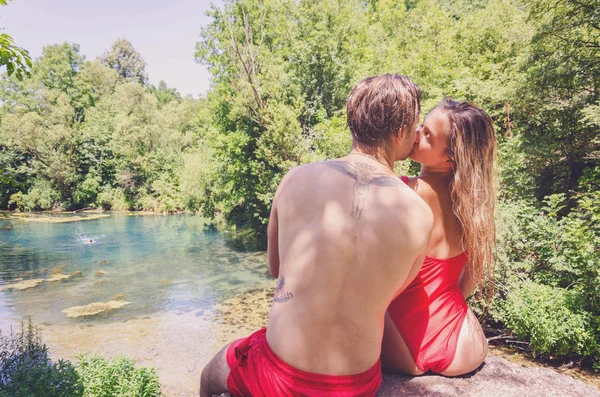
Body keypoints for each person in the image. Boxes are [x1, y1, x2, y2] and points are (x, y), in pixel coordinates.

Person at [200, 74, 433, 397]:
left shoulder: (296, 179)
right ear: (399, 131)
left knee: (213, 371)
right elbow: (391, 293)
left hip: (278, 380)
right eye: (415, 125)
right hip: (356, 386)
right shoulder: (419, 213)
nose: (417, 133)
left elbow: (277, 269)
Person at [381, 98, 497, 377]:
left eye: (428, 135)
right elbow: (466, 282)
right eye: (422, 125)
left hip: (406, 350)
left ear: (449, 158)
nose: (416, 133)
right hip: (463, 347)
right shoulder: (471, 205)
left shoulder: (402, 191)